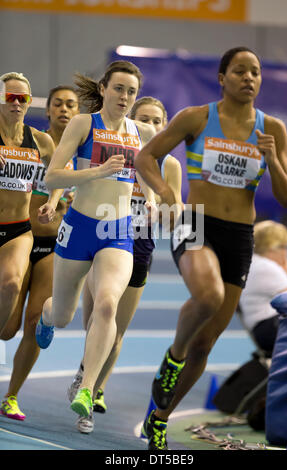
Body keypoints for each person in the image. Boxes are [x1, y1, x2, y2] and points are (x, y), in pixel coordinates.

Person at [134, 46, 287, 450]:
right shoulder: (196, 118)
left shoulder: (271, 129)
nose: (249, 78)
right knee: (208, 296)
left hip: (240, 235)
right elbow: (146, 157)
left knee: (205, 343)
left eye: (255, 72)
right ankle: (173, 357)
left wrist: (273, 159)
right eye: (239, 71)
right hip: (196, 221)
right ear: (222, 78)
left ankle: (160, 416)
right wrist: (166, 191)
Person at [35, 61, 157, 422]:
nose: (124, 97)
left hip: (117, 231)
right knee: (62, 315)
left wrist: (149, 196)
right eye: (118, 88)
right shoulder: (83, 123)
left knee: (106, 304)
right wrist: (97, 172)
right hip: (79, 227)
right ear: (104, 89)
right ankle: (46, 314)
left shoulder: (142, 132)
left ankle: (87, 388)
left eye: (131, 91)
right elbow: (53, 175)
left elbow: (146, 170)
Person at [67, 96, 183, 433]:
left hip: (140, 247)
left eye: (157, 121)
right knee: (95, 319)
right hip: (104, 238)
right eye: (143, 119)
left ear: (164, 126)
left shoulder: (170, 165)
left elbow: (174, 214)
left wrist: (165, 209)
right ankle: (85, 373)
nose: (150, 126)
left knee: (117, 331)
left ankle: (90, 393)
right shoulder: (117, 150)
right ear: (134, 122)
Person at [0, 85, 80, 420]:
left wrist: (71, 199)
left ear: (78, 113)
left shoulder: (84, 153)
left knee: (35, 322)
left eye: (71, 105)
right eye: (57, 103)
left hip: (52, 244)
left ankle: (11, 396)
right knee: (7, 328)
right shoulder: (34, 142)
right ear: (47, 111)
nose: (63, 109)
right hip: (20, 234)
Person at [0, 71, 60, 349]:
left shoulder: (40, 142)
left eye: (22, 98)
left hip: (18, 231)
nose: (16, 102)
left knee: (12, 285)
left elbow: (59, 174)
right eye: (10, 96)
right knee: (10, 329)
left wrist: (53, 199)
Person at [239, 220, 287, 357]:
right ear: (272, 247)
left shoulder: (255, 263)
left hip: (264, 328)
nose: (286, 252)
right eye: (284, 247)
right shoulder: (266, 267)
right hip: (270, 328)